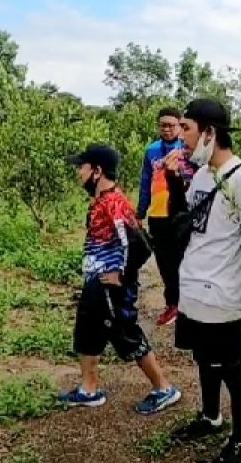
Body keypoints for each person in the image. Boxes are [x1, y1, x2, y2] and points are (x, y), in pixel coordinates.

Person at [169, 99, 241, 463]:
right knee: (203, 359)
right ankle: (210, 417)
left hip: (222, 295)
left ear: (210, 133)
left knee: (230, 367)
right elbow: (191, 223)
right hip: (194, 288)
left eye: (187, 129)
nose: (181, 137)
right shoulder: (201, 174)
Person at [58, 143, 182, 415]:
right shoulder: (102, 201)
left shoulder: (113, 204)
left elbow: (140, 244)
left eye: (82, 167)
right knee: (87, 333)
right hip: (96, 282)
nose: (78, 172)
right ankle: (88, 390)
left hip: (110, 287)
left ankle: (164, 388)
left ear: (97, 171)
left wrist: (120, 275)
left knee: (126, 334)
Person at [137, 107, 195, 326]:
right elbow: (145, 182)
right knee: (164, 261)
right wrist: (140, 212)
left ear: (180, 126)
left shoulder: (188, 150)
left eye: (172, 125)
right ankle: (173, 304)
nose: (167, 129)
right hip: (158, 214)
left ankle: (187, 304)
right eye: (163, 125)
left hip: (182, 215)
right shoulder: (151, 151)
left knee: (184, 259)